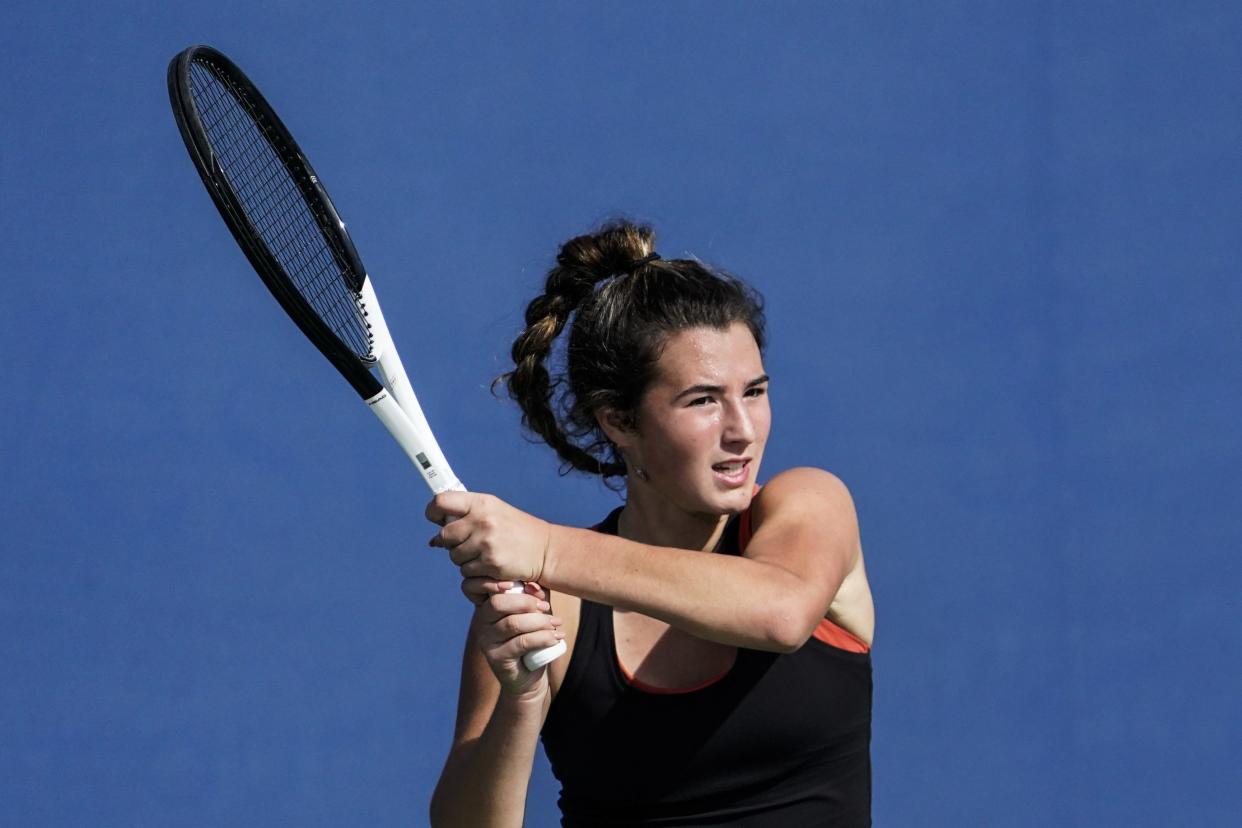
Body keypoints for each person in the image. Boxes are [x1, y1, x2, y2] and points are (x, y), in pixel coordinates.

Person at [426, 221, 874, 827]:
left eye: (756, 391)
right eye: (703, 401)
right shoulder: (542, 600)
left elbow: (781, 612)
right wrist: (521, 701)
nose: (743, 429)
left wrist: (546, 548)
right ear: (619, 421)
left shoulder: (808, 504)